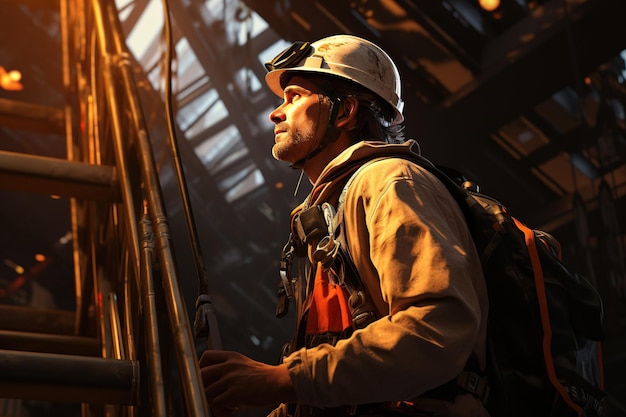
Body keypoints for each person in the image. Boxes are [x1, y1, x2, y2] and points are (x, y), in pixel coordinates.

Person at [199, 34, 490, 417]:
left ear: (345, 111)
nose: (275, 113)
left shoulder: (390, 181)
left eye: (296, 97)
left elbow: (436, 329)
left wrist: (283, 379)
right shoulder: (332, 213)